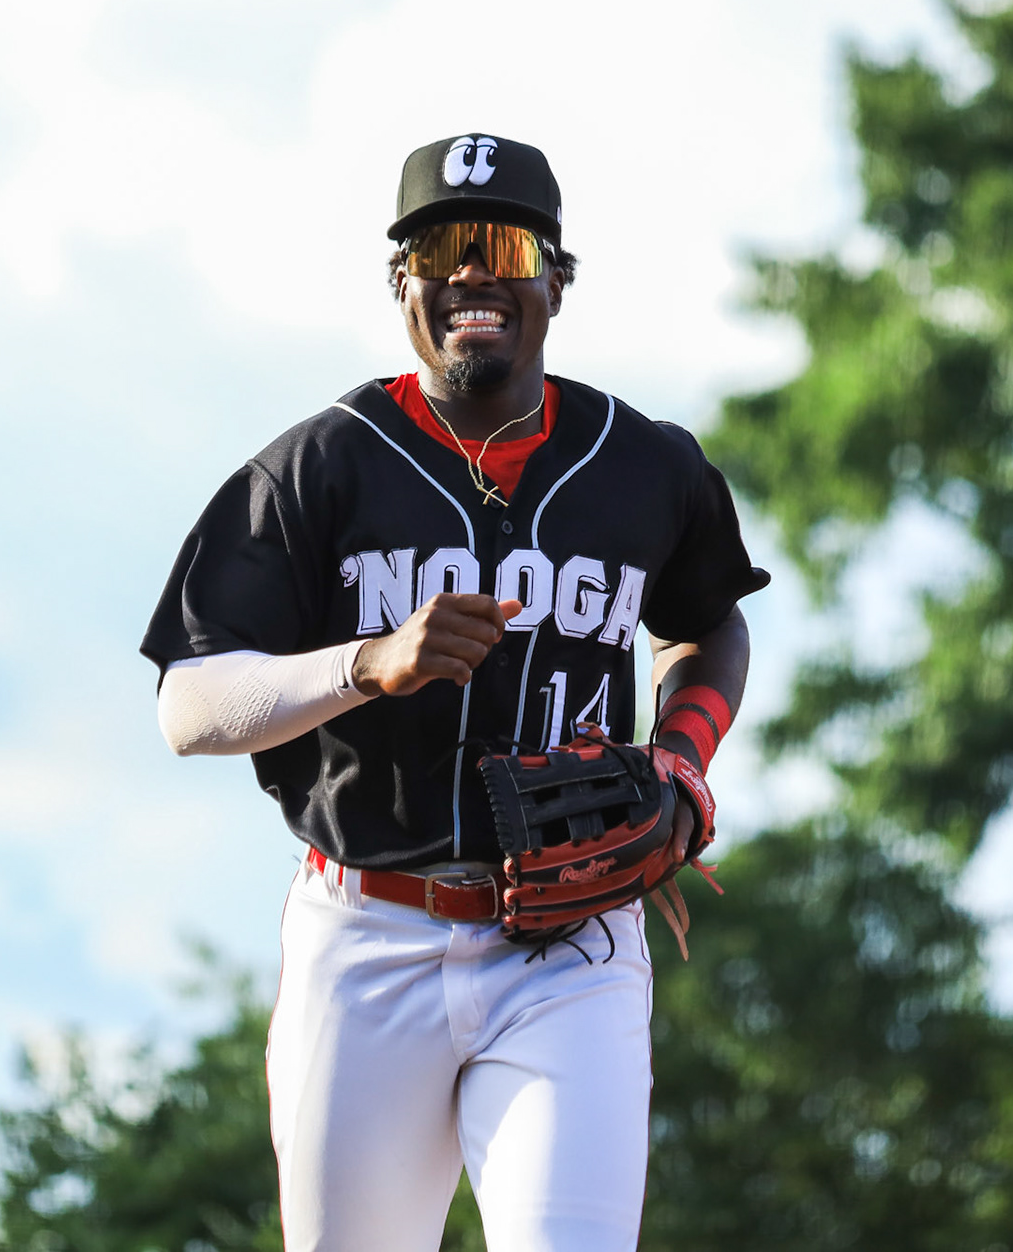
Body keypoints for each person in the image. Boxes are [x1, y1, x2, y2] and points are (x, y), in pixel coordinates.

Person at [141, 133, 769, 1252]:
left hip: (568, 948)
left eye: (504, 243)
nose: (472, 271)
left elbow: (708, 619)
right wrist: (364, 661)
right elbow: (190, 705)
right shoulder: (319, 465)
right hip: (367, 931)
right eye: (440, 246)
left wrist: (681, 754)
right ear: (402, 286)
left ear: (555, 282)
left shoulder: (644, 462)